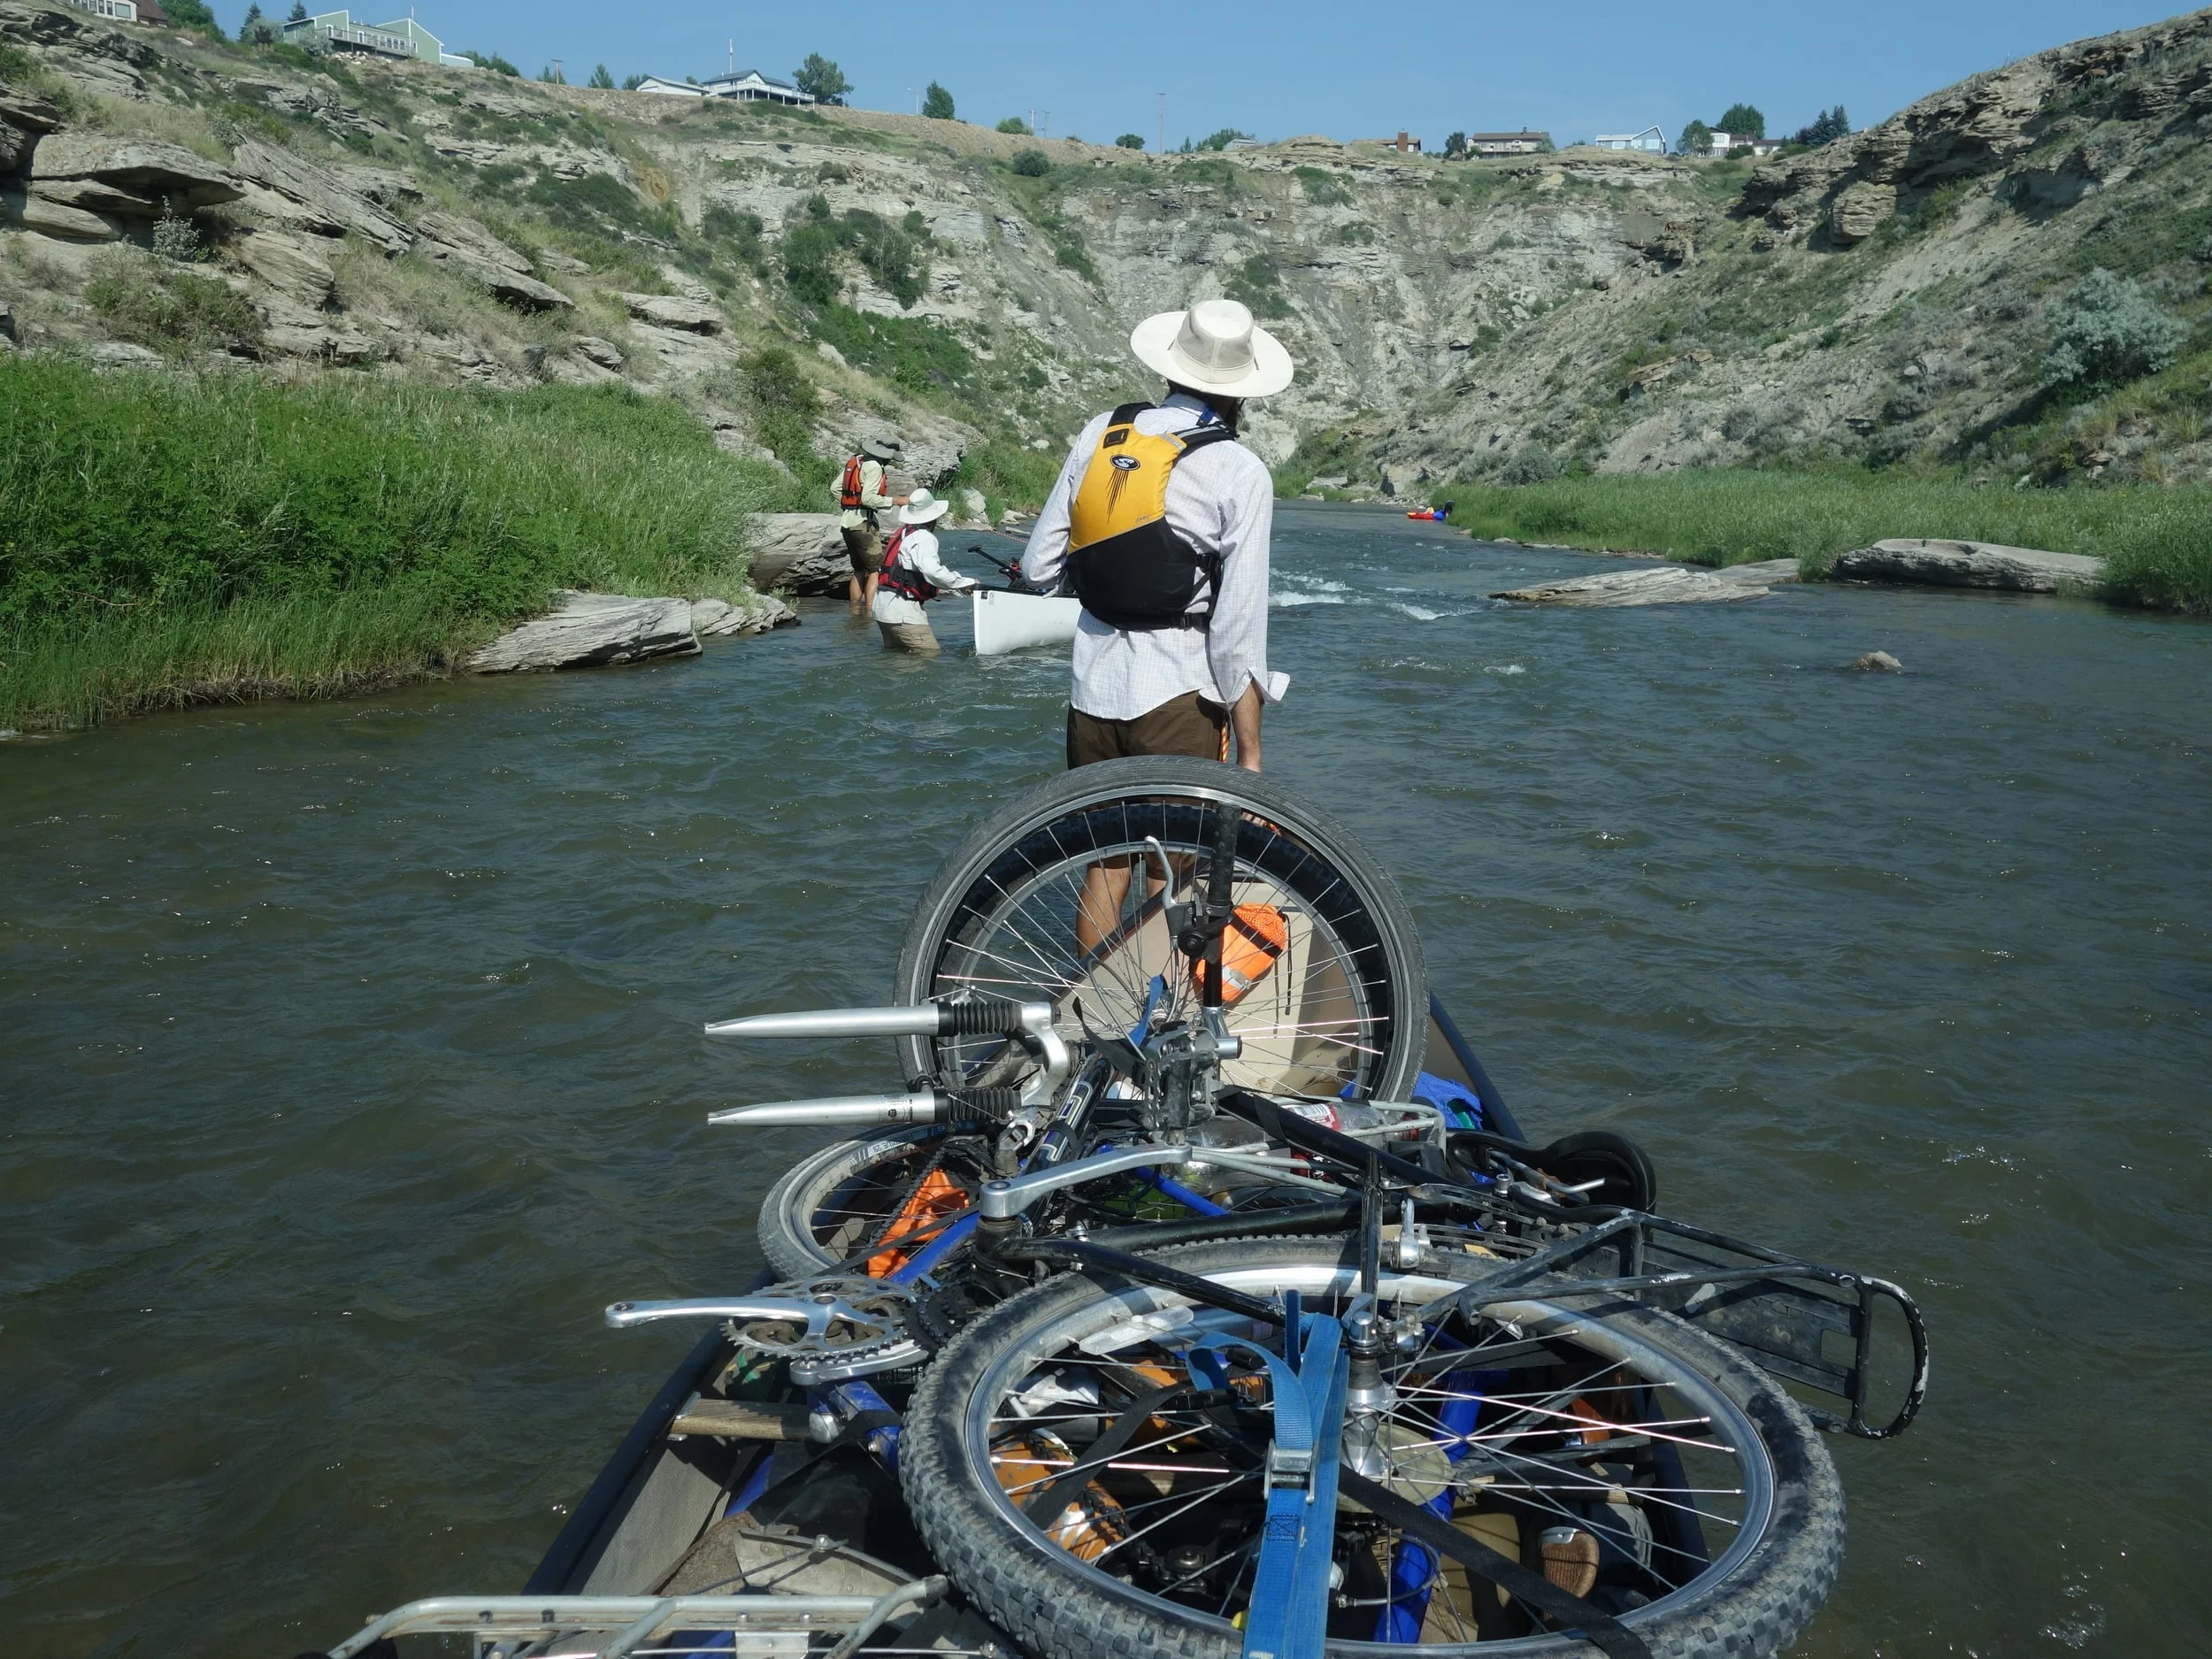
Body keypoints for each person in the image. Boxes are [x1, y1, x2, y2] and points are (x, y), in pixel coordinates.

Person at [1019, 296, 1294, 949]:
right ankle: (1155, 1023)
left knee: (1106, 864)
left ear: (1171, 367)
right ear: (1242, 395)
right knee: (1172, 867)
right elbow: (1237, 629)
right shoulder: (1240, 469)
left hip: (1092, 686)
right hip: (1177, 692)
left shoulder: (1103, 431)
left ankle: (1097, 1022)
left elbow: (1037, 566)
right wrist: (1250, 751)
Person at [872, 489, 979, 653]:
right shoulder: (923, 537)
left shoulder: (903, 533)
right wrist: (966, 582)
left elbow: (914, 573)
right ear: (933, 518)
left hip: (882, 608)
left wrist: (960, 588)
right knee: (931, 657)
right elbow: (932, 572)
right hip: (904, 612)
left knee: (897, 662)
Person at [837, 436, 906, 612]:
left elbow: (835, 488)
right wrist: (896, 500)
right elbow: (868, 498)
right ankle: (870, 612)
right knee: (876, 570)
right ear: (887, 456)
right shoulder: (875, 467)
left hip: (848, 522)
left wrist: (850, 504)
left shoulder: (857, 462)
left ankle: (854, 612)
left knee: (858, 570)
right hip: (863, 524)